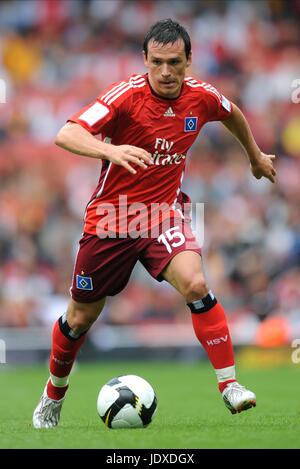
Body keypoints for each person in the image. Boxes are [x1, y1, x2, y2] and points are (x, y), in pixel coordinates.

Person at [33, 19, 276, 429]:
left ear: (189, 61)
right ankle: (52, 397)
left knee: (197, 284)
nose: (166, 72)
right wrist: (110, 151)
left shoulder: (201, 96)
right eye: (158, 62)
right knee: (79, 319)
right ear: (145, 60)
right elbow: (66, 133)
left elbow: (232, 113)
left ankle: (230, 385)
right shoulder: (126, 96)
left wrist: (254, 156)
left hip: (162, 214)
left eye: (175, 63)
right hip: (111, 219)